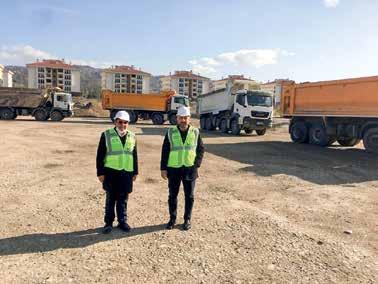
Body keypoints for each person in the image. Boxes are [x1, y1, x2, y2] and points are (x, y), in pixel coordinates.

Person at [160, 106, 205, 230]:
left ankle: (187, 219)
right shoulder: (170, 132)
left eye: (186, 118)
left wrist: (196, 164)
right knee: (172, 195)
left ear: (189, 119)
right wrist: (163, 168)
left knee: (189, 196)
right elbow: (165, 151)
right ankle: (172, 219)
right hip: (173, 169)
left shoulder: (195, 132)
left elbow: (200, 149)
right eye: (181, 118)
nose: (183, 120)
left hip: (190, 169)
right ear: (177, 118)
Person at [96, 110, 138, 234]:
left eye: (125, 122)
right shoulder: (107, 135)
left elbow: (134, 155)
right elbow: (100, 155)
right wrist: (100, 173)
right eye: (120, 122)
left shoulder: (132, 136)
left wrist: (135, 171)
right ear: (115, 122)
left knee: (123, 199)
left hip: (126, 173)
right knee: (110, 199)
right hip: (111, 173)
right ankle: (108, 223)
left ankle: (122, 221)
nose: (122, 125)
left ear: (128, 123)